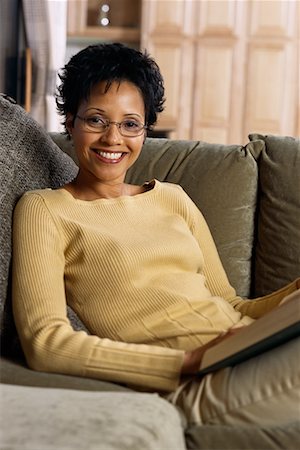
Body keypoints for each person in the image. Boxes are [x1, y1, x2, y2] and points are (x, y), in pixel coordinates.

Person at [12, 43, 300, 426]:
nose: (113, 139)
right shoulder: (45, 209)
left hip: (247, 350)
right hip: (191, 383)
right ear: (70, 122)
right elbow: (45, 342)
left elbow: (233, 306)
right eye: (96, 120)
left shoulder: (173, 198)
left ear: (145, 131)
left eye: (130, 124)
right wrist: (186, 361)